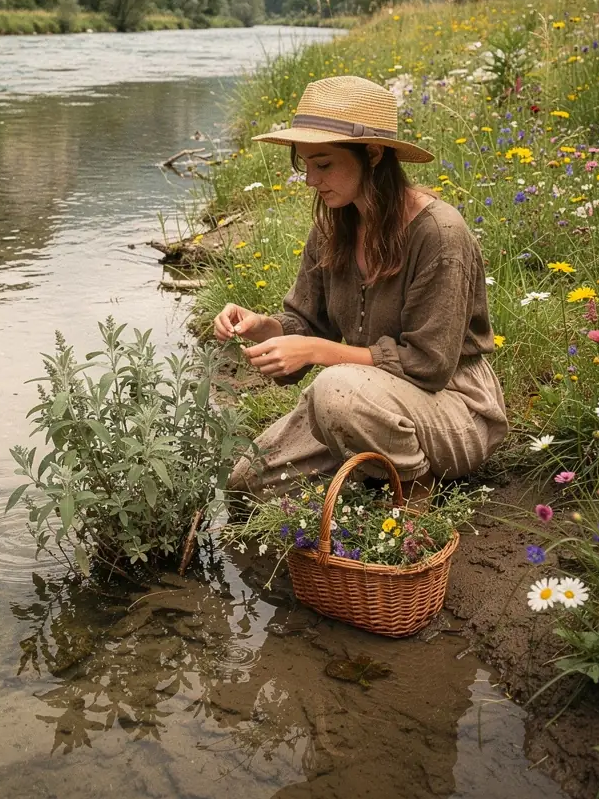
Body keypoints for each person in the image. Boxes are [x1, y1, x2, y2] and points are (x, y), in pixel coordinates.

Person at [213, 74, 508, 499]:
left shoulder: (440, 234)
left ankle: (415, 488)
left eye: (323, 164)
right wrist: (260, 326)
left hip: (454, 408)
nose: (310, 180)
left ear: (372, 154)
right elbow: (306, 324)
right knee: (246, 484)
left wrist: (317, 352)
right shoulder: (331, 227)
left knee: (333, 390)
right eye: (304, 165)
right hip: (362, 398)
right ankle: (368, 464)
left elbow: (429, 365)